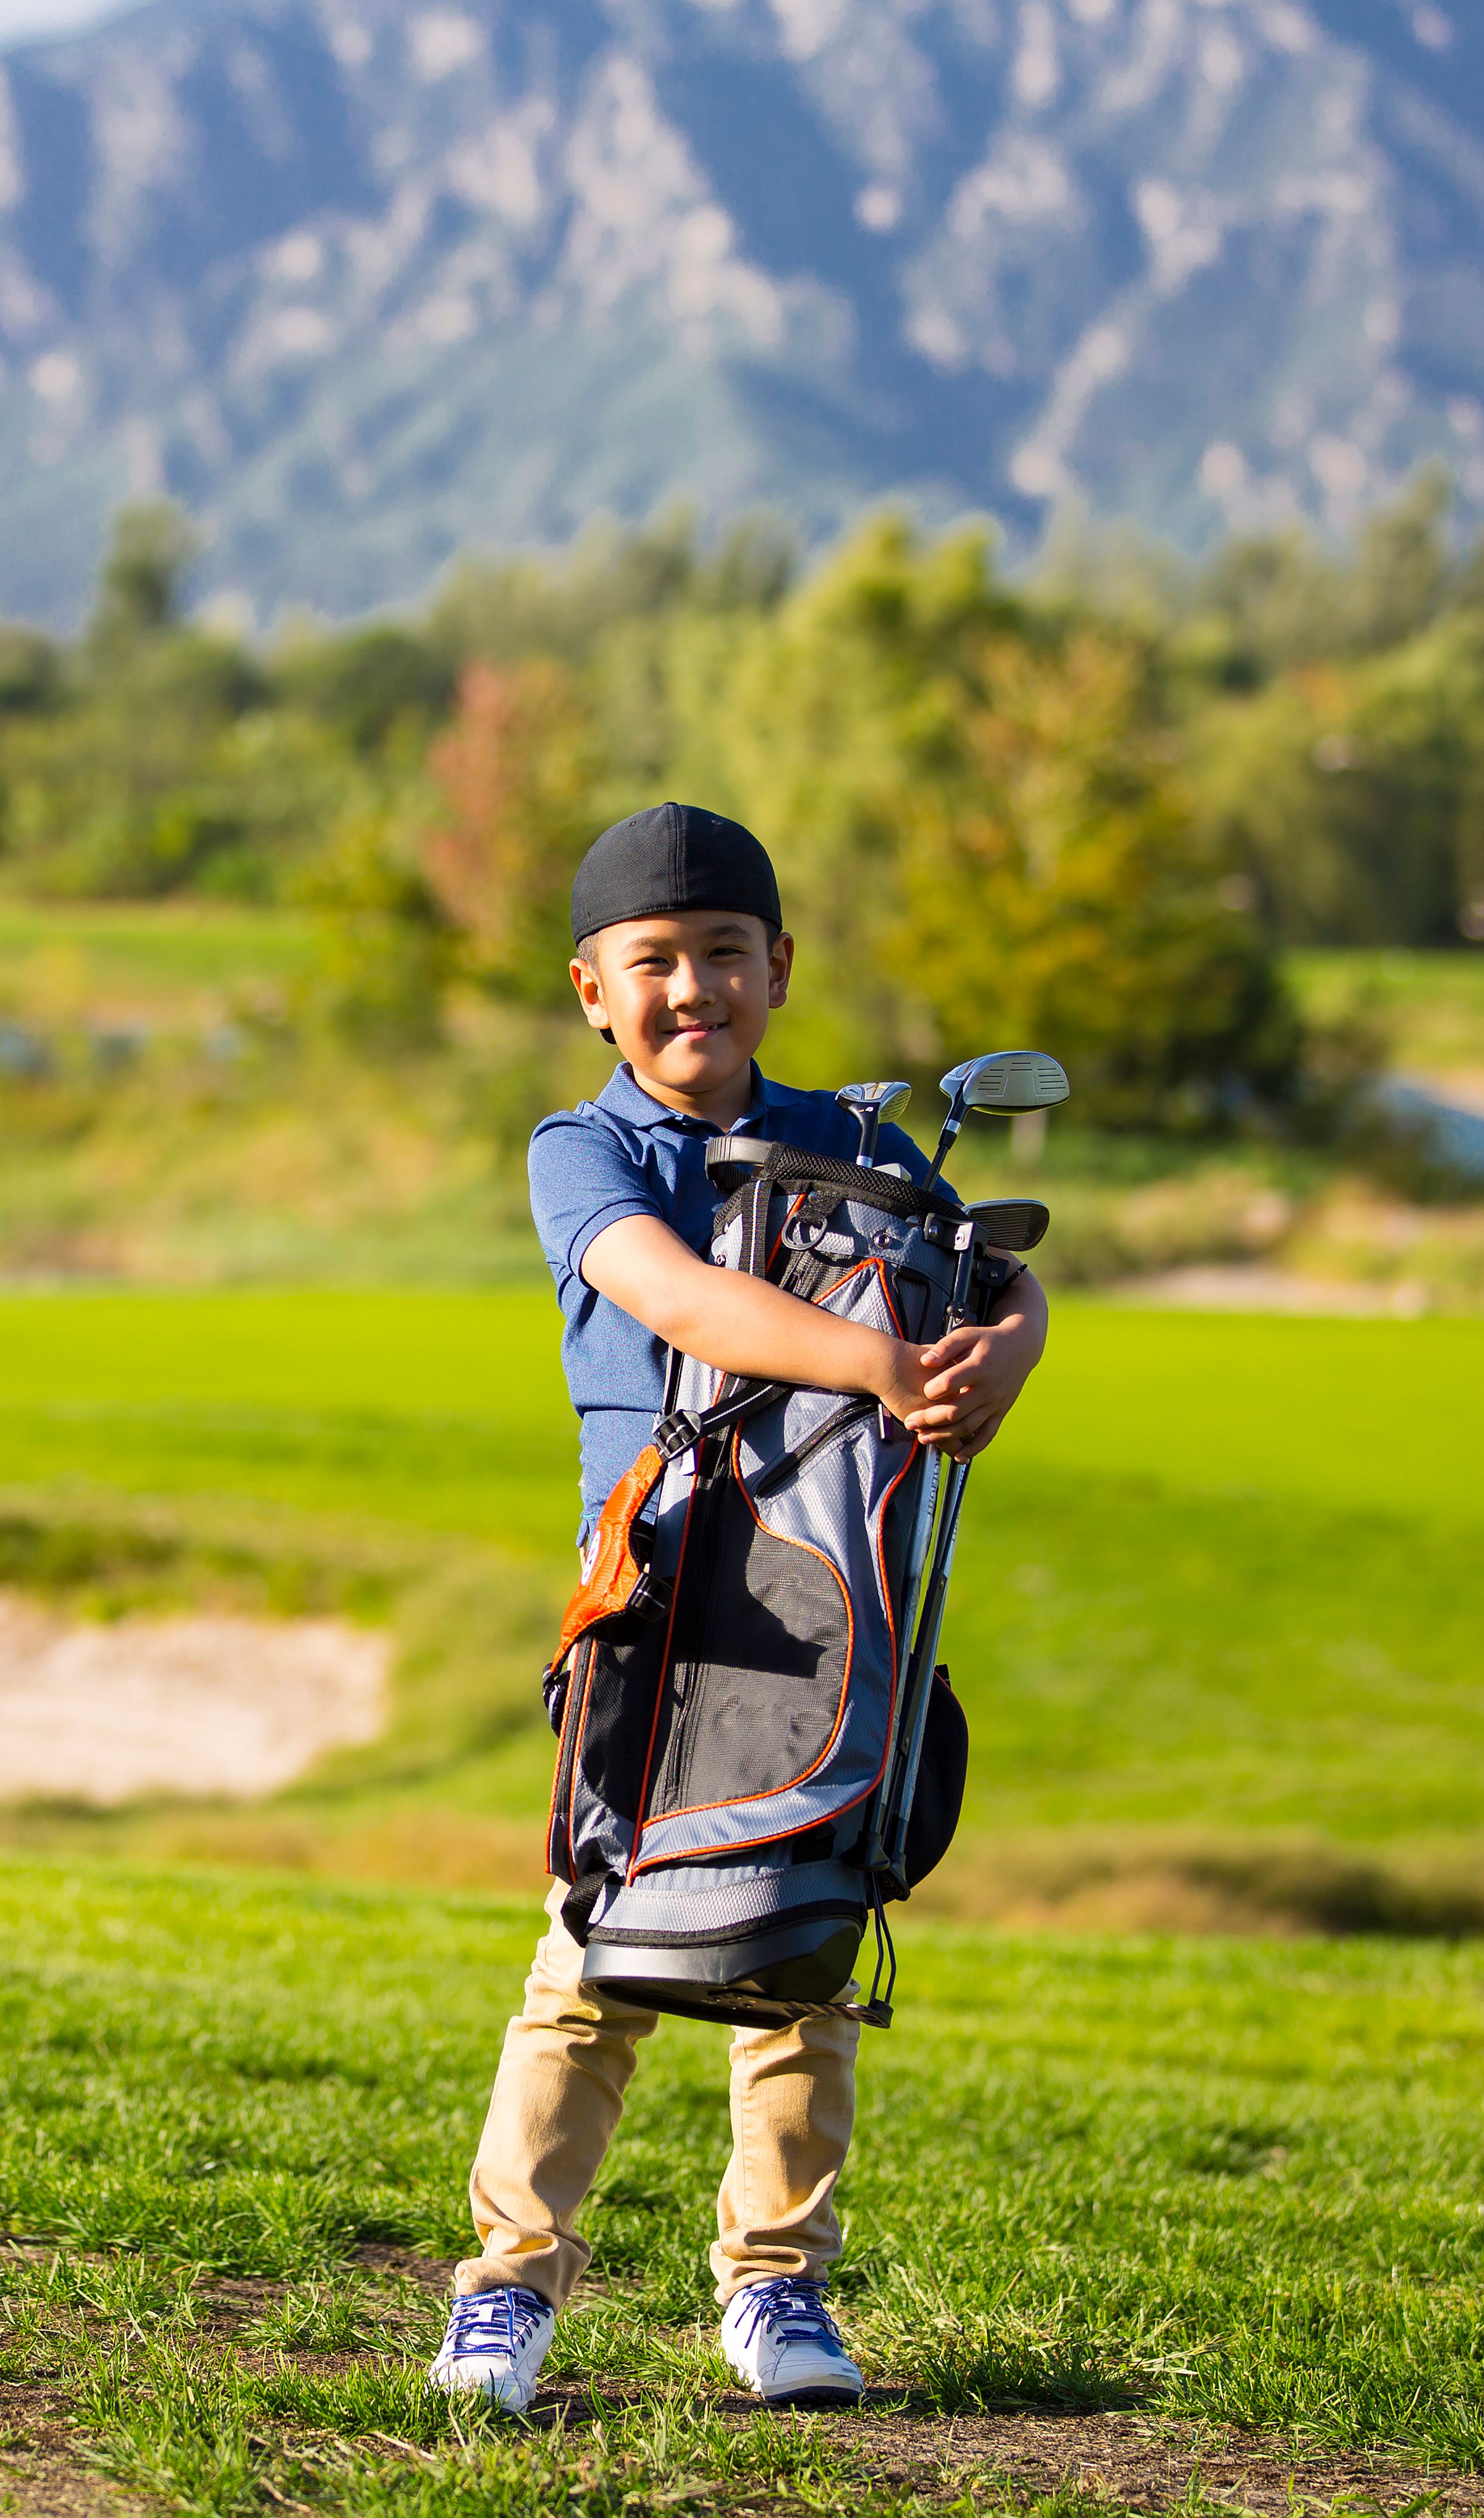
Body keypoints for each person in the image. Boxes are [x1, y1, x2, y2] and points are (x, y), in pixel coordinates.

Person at [427, 800, 1050, 2415]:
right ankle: (509, 2290)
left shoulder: (861, 1139)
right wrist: (873, 1357)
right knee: (595, 1963)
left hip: (830, 1601)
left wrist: (1001, 1358)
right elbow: (673, 1288)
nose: (691, 988)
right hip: (655, 1602)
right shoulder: (588, 1150)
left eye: (723, 956)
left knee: (805, 1958)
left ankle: (779, 2290)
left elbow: (1001, 1277)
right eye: (655, 963)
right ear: (591, 989)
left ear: (779, 967)